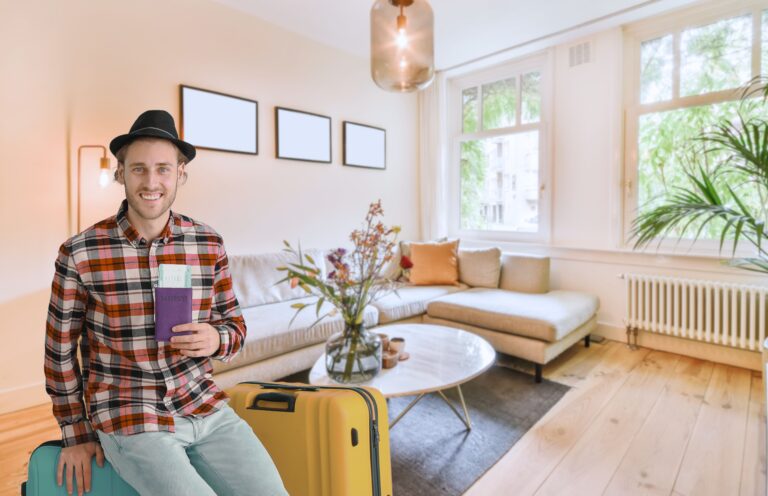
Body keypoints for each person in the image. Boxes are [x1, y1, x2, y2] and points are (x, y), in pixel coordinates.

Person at [44, 110, 288, 495]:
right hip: (130, 415)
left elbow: (236, 328)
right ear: (120, 173)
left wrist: (216, 338)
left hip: (204, 406)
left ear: (180, 174)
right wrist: (75, 432)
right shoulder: (80, 252)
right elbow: (59, 351)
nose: (151, 182)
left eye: (163, 169)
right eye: (138, 169)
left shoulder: (208, 243)